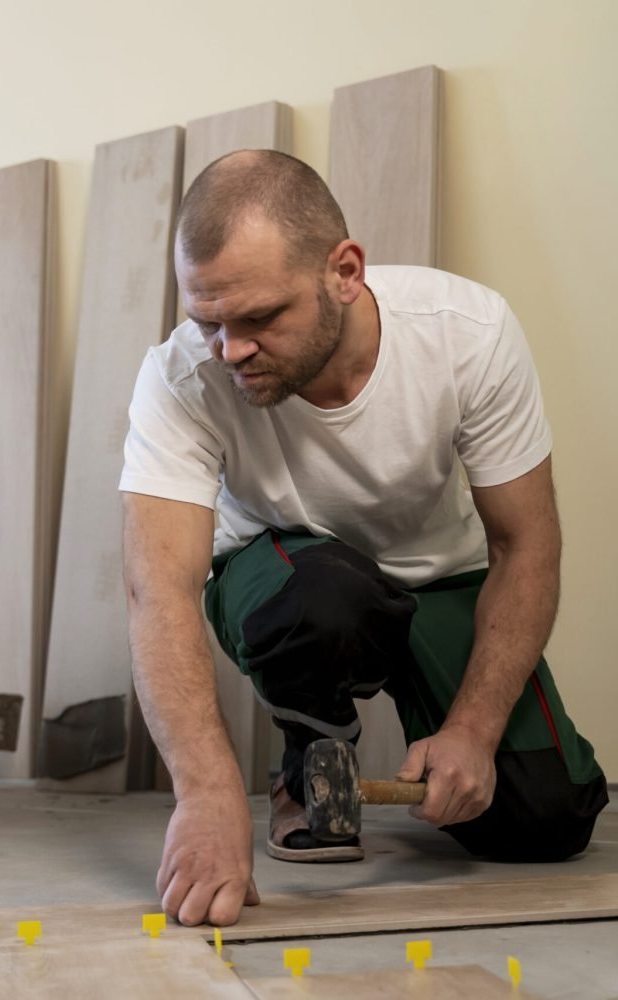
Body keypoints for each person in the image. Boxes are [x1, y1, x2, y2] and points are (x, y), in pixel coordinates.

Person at [120, 150, 608, 927]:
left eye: (260, 318)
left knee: (548, 817)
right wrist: (208, 795)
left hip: (442, 579)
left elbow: (526, 546)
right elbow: (160, 587)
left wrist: (474, 732)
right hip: (289, 574)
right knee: (326, 597)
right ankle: (309, 756)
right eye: (206, 320)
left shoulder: (468, 335)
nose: (229, 350)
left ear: (344, 271)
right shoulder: (182, 379)